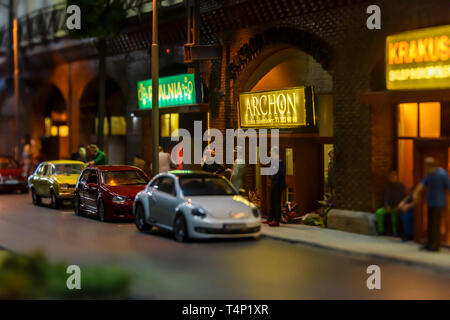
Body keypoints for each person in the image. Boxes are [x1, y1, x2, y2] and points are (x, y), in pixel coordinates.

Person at [413, 157, 449, 252]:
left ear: (432, 166)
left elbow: (448, 187)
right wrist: (416, 192)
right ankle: (429, 243)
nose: (426, 169)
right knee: (430, 224)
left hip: (439, 203)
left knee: (436, 225)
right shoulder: (430, 174)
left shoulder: (442, 174)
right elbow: (423, 184)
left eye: (427, 166)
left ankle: (435, 245)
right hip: (431, 202)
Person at [375, 171, 405, 236]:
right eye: (391, 177)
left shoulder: (401, 186)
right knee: (378, 212)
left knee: (394, 216)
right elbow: (386, 197)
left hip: (396, 206)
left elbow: (402, 197)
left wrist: (399, 206)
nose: (392, 178)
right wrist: (386, 205)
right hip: (389, 207)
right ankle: (381, 231)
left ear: (396, 177)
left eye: (394, 177)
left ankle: (395, 232)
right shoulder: (388, 186)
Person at [263, 146, 286, 227]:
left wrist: (275, 177)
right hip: (273, 183)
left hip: (277, 184)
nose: (270, 154)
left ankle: (276, 220)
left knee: (276, 202)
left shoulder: (280, 162)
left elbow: (282, 173)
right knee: (272, 201)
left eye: (271, 153)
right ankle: (270, 218)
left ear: (275, 153)